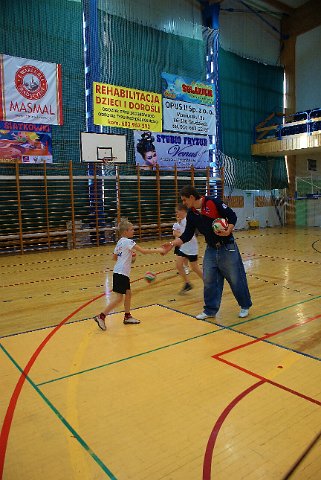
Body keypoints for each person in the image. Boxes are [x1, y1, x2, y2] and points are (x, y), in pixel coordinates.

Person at [163, 185, 252, 319]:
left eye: (184, 200)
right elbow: (187, 235)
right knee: (210, 280)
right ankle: (210, 310)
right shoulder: (192, 214)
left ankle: (245, 305)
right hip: (211, 249)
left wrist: (229, 229)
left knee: (235, 279)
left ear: (192, 197)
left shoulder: (212, 202)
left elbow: (232, 216)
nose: (183, 203)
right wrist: (171, 244)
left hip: (227, 247)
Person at [94, 218, 165, 331]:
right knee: (119, 299)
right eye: (131, 229)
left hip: (120, 272)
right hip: (121, 273)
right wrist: (159, 250)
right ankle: (101, 316)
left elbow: (114, 257)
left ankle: (127, 316)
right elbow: (144, 251)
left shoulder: (120, 242)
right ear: (125, 232)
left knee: (128, 294)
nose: (133, 231)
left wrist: (130, 257)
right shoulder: (128, 242)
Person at [173, 203, 203, 294]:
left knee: (194, 268)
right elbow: (176, 233)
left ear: (183, 211)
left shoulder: (188, 220)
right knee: (178, 265)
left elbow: (186, 234)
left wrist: (179, 236)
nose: (176, 214)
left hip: (192, 246)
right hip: (184, 246)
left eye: (177, 212)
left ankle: (209, 283)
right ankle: (187, 283)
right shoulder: (180, 221)